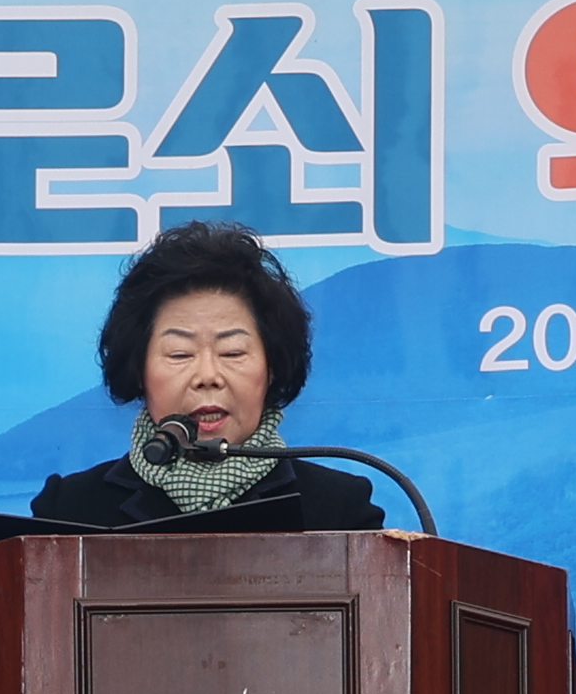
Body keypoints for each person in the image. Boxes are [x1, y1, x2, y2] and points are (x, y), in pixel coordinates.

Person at [33, 220, 391, 532]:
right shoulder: (70, 511)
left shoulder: (339, 511)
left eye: (232, 353)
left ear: (272, 368)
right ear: (139, 370)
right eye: (180, 354)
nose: (207, 376)